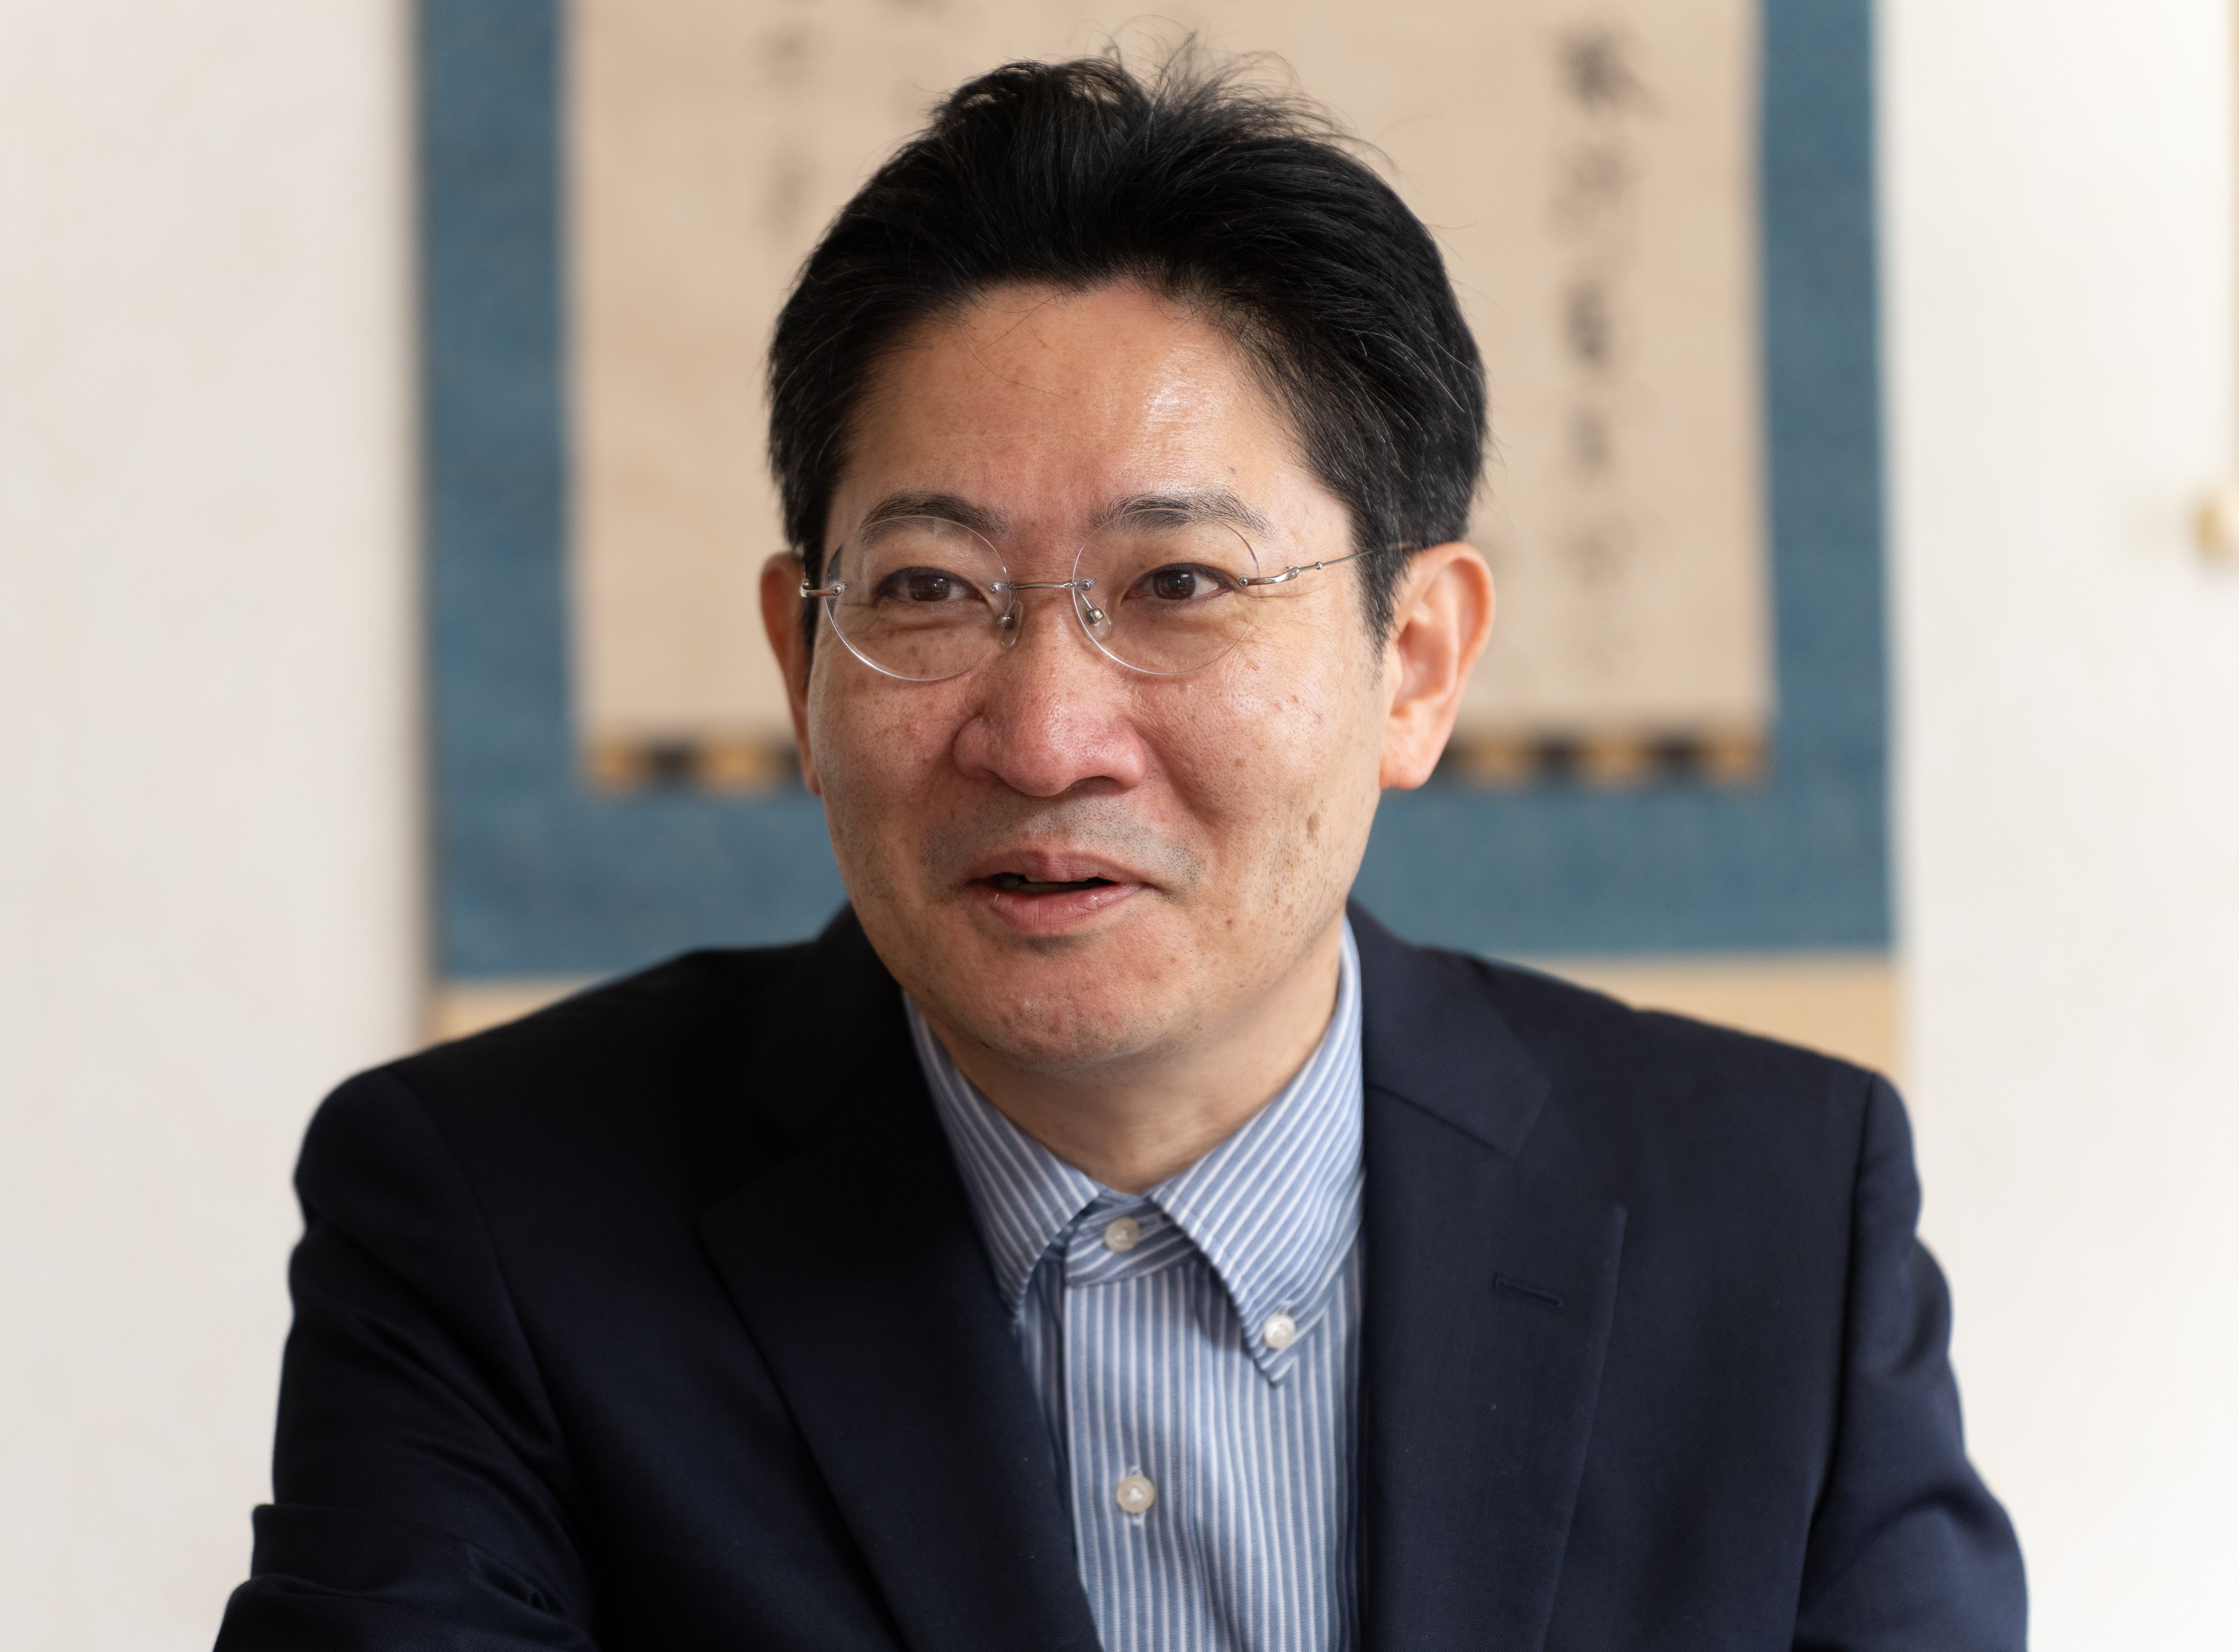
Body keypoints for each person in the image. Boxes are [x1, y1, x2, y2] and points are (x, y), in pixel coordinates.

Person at [215, 52, 2023, 1652]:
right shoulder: (494, 1221)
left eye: (1181, 584)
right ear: (798, 658)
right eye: (930, 591)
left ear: (1416, 662)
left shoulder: (1780, 1224)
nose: (1045, 734)